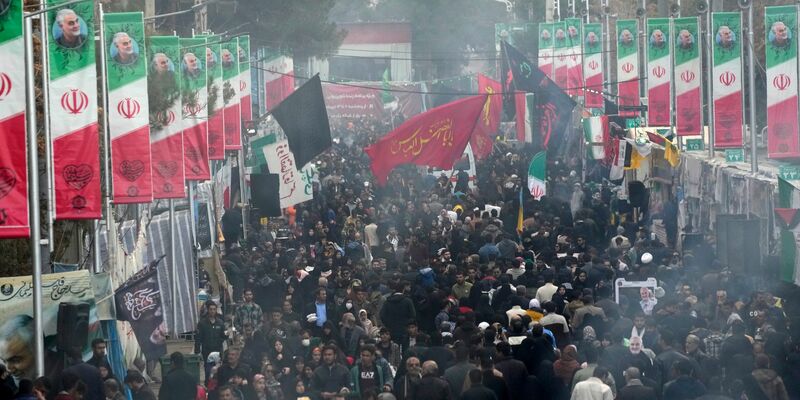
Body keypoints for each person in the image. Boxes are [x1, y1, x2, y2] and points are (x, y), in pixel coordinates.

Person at [195, 301, 226, 381]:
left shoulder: (220, 323)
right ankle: (208, 386)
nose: (212, 311)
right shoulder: (202, 323)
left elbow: (224, 336)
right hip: (207, 351)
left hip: (218, 350)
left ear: (216, 310)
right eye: (211, 309)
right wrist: (197, 352)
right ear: (208, 310)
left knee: (219, 370)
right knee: (208, 370)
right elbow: (198, 338)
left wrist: (226, 335)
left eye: (214, 309)